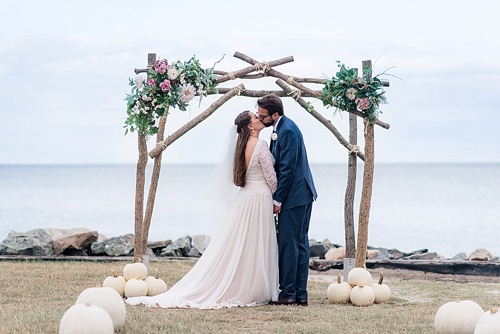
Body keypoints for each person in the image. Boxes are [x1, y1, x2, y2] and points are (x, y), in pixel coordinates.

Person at [126, 110, 279, 309]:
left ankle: (245, 283)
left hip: (245, 199)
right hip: (259, 198)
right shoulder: (260, 145)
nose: (260, 118)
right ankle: (253, 286)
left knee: (245, 244)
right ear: (250, 126)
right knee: (256, 243)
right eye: (256, 117)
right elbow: (271, 178)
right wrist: (279, 197)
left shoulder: (240, 147)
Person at [256, 94, 318, 306]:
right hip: (300, 194)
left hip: (296, 195)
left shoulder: (288, 131)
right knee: (298, 243)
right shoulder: (280, 129)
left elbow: (287, 168)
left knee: (290, 243)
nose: (259, 118)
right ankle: (300, 293)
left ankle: (289, 292)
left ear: (275, 115)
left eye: (262, 115)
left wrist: (278, 200)